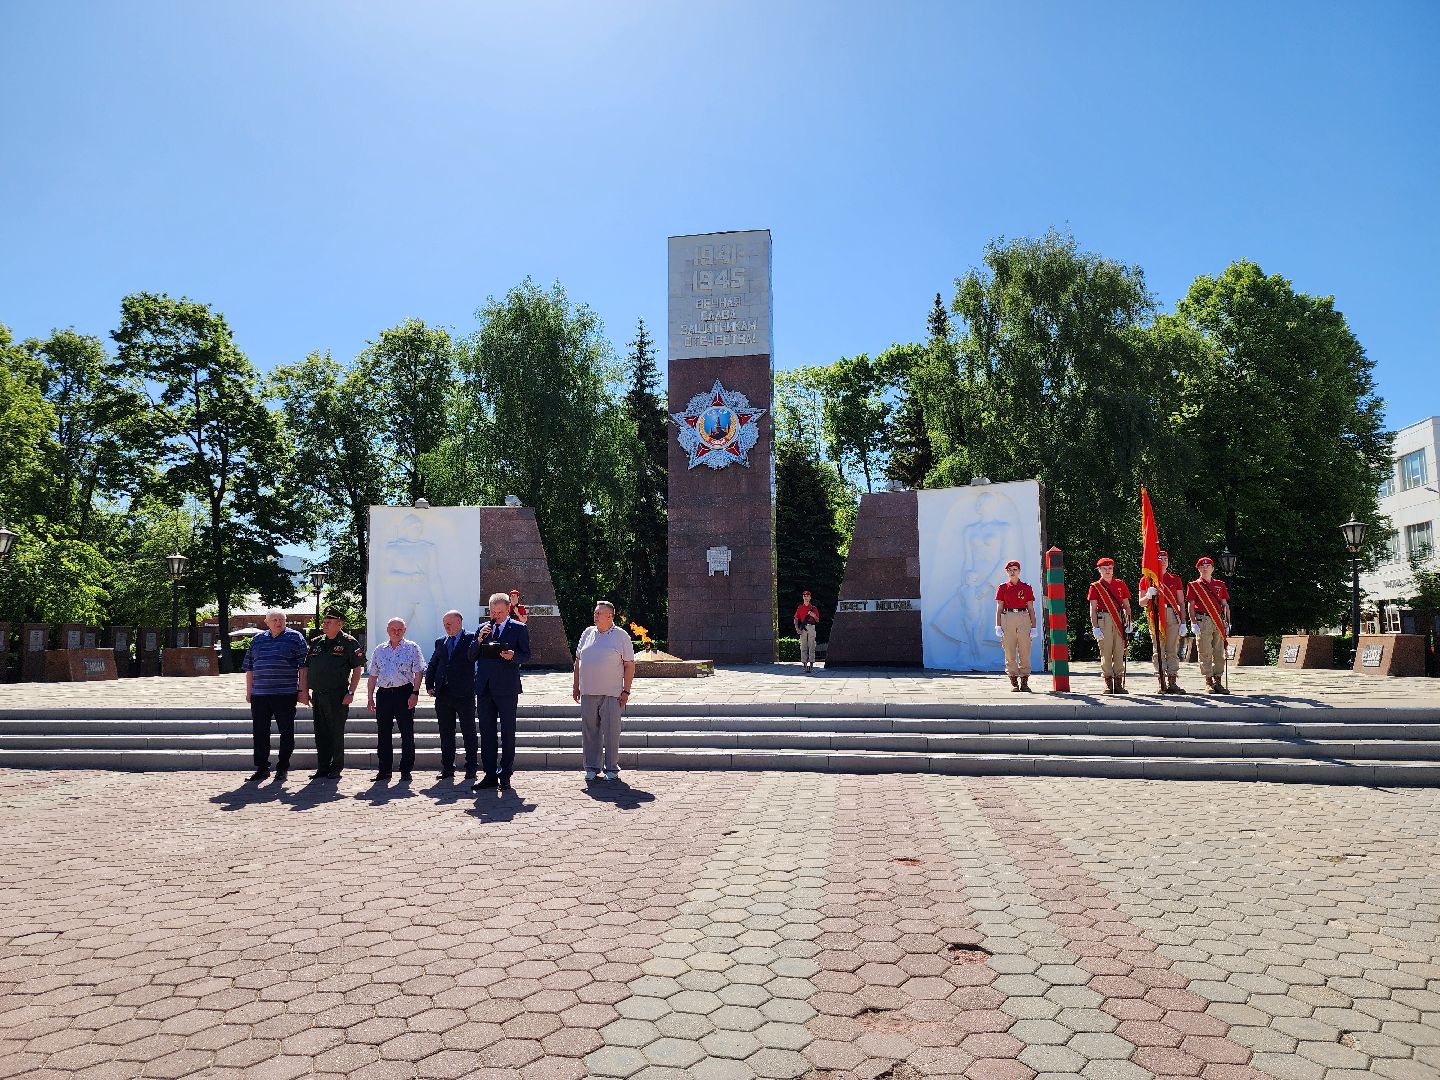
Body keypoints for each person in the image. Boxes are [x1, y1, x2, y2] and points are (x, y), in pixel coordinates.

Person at [470, 592, 532, 791]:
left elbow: (526, 655)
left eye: (500, 611)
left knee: (507, 732)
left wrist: (513, 656)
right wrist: (478, 640)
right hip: (485, 688)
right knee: (487, 732)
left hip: (506, 688)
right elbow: (471, 656)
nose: (496, 615)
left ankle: (505, 774)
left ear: (508, 610)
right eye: (493, 611)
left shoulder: (519, 628)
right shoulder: (483, 629)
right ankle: (489, 774)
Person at [242, 611, 309, 783]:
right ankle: (262, 768)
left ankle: (282, 768)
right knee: (260, 732)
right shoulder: (257, 640)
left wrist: (302, 691)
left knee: (286, 732)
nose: (278, 622)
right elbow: (250, 667)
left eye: (281, 620)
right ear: (266, 622)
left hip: (285, 694)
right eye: (274, 620)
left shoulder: (296, 638)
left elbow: (304, 667)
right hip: (260, 694)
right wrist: (249, 691)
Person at [572, 600, 636, 782]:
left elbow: (629, 665)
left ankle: (611, 768)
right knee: (589, 732)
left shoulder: (621, 636)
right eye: (595, 613)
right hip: (588, 692)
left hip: (611, 693)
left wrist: (626, 691)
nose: (596, 616)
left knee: (611, 732)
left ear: (610, 616)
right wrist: (576, 686)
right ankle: (591, 767)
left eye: (599, 613)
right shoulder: (587, 633)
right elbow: (578, 662)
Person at [305, 609, 365, 779]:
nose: (325, 624)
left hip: (338, 695)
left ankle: (336, 767)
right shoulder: (316, 642)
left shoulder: (348, 642)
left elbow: (357, 669)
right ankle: (322, 766)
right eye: (324, 621)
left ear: (339, 624)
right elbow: (306, 667)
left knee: (336, 732)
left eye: (329, 622)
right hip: (318, 694)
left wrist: (351, 692)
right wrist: (304, 690)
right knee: (320, 732)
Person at [367, 617, 427, 783]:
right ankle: (384, 770)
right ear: (387, 630)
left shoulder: (412, 648)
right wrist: (370, 697)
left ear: (405, 630)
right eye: (393, 629)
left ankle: (406, 770)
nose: (396, 632)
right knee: (383, 733)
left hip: (404, 693)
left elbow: (418, 672)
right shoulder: (379, 650)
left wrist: (415, 693)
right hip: (384, 694)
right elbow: (372, 675)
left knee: (406, 733)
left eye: (399, 629)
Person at [426, 609, 477, 780]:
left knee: (468, 731)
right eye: (444, 624)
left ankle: (471, 767)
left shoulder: (471, 638)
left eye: (449, 623)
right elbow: (433, 664)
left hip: (464, 693)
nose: (446, 626)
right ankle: (447, 767)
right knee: (445, 732)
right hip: (443, 694)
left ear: (459, 622)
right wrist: (429, 684)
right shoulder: (441, 642)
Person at [1138, 549, 1187, 694]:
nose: (1163, 561)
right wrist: (1148, 595)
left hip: (1172, 614)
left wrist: (1184, 622)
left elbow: (1181, 602)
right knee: (1158, 650)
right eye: (1160, 558)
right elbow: (1141, 603)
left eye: (1166, 558)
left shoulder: (1174, 579)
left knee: (1172, 649)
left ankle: (1172, 682)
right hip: (1156, 615)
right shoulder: (1146, 580)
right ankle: (1161, 682)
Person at [1187, 556, 1233, 694]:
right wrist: (1193, 622)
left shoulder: (1220, 584)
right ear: (1199, 569)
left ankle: (1218, 680)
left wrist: (1228, 622)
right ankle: (1208, 681)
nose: (1205, 568)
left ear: (1213, 568)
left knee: (1219, 651)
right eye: (1202, 566)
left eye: (1208, 566)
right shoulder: (1194, 585)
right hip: (1203, 619)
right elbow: (1191, 605)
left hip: (1218, 620)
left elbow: (1225, 604)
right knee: (1205, 651)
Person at [1087, 557, 1133, 694]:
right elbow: (1093, 609)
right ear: (1099, 570)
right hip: (1103, 619)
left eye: (1110, 568)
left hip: (1119, 619)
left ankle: (1118, 684)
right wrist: (1095, 627)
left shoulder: (1120, 584)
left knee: (1119, 651)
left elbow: (1126, 606)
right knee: (1106, 652)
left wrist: (1129, 622)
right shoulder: (1095, 587)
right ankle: (1108, 683)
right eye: (1104, 568)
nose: (1108, 571)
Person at [993, 560, 1039, 692]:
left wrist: (1034, 626)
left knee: (1025, 649)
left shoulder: (1026, 587)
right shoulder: (1003, 587)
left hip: (1023, 616)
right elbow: (999, 607)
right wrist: (998, 625)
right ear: (1007, 572)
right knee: (1009, 650)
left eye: (1015, 569)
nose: (1012, 572)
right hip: (1007, 617)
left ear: (1019, 571)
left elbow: (1030, 608)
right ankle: (1013, 680)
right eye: (1010, 570)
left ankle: (1024, 680)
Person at [793, 590, 820, 673]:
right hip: (803, 627)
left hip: (811, 627)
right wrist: (797, 628)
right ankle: (804, 664)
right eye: (804, 596)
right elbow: (796, 618)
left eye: (807, 596)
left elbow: (817, 620)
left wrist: (814, 615)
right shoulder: (800, 607)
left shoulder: (814, 608)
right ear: (803, 597)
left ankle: (811, 664)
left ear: (810, 597)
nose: (806, 597)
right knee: (803, 646)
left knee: (812, 645)